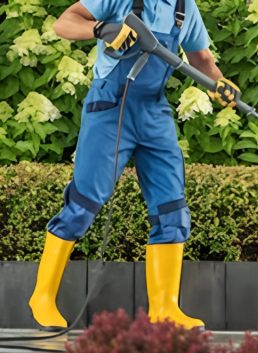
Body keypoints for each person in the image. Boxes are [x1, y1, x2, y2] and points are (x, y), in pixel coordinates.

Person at [28, 0, 240, 330]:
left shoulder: (185, 8)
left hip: (153, 114)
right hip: (110, 108)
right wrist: (100, 29)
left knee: (172, 209)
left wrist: (219, 84)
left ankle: (165, 309)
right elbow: (64, 23)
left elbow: (202, 59)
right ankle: (42, 296)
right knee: (82, 204)